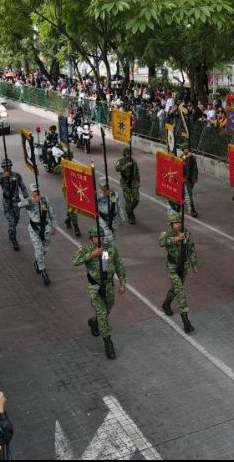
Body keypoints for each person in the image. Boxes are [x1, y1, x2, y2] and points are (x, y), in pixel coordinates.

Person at [72, 226, 127, 360]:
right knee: (102, 314)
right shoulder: (86, 249)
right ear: (91, 238)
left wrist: (122, 282)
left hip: (108, 285)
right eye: (97, 237)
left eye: (102, 236)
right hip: (94, 287)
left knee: (108, 308)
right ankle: (108, 343)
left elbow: (119, 265)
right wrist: (92, 255)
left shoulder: (110, 248)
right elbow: (75, 261)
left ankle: (94, 321)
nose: (100, 239)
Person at [159, 211, 198, 333]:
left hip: (183, 266)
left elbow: (191, 249)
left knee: (176, 288)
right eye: (175, 223)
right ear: (170, 224)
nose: (178, 225)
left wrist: (194, 264)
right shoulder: (166, 234)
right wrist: (176, 238)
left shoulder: (186, 232)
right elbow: (161, 243)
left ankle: (166, 303)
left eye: (179, 222)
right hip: (172, 267)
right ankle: (186, 322)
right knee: (180, 292)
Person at [18, 184, 56, 285]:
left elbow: (51, 213)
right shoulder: (29, 201)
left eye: (37, 191)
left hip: (46, 228)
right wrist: (32, 201)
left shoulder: (45, 200)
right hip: (34, 229)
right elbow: (19, 205)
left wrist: (54, 226)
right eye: (34, 191)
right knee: (39, 250)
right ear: (31, 192)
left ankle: (38, 262)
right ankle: (43, 272)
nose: (36, 193)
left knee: (44, 250)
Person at [0, 158, 28, 251]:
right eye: (6, 166)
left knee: (16, 220)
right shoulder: (0, 175)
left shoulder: (16, 175)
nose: (8, 168)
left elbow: (22, 187)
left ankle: (11, 232)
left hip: (16, 203)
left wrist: (26, 198)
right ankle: (14, 240)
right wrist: (2, 176)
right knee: (12, 222)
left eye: (9, 166)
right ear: (3, 167)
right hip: (7, 203)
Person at [96, 177, 125, 244]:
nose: (105, 187)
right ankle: (106, 254)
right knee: (108, 237)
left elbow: (118, 205)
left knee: (113, 237)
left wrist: (122, 218)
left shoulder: (113, 194)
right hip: (103, 218)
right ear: (100, 186)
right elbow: (92, 201)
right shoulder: (97, 194)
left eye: (106, 185)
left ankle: (108, 252)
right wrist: (103, 195)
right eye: (103, 186)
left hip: (112, 218)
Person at [115, 147, 140, 224]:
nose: (129, 156)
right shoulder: (120, 161)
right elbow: (117, 168)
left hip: (134, 183)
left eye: (130, 154)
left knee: (136, 199)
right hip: (125, 183)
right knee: (128, 200)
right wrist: (126, 165)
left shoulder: (134, 162)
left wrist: (138, 181)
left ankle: (130, 209)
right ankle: (130, 215)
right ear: (124, 154)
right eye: (127, 154)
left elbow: (137, 171)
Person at [183, 145, 199, 217]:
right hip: (184, 178)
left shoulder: (192, 158)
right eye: (186, 149)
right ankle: (192, 209)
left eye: (188, 149)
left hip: (191, 179)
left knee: (187, 193)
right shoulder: (182, 157)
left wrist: (195, 177)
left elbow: (195, 168)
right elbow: (179, 162)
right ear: (183, 150)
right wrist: (186, 157)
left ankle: (185, 203)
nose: (188, 150)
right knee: (189, 194)